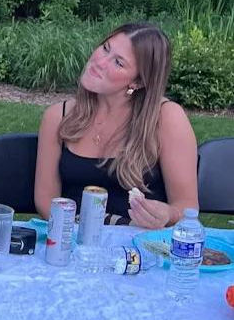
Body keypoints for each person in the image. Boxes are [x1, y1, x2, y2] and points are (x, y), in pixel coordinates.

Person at [35, 22, 198, 228]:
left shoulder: (167, 117)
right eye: (105, 48)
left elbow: (187, 206)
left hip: (138, 247)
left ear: (137, 83)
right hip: (72, 239)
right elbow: (45, 201)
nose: (99, 62)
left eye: (118, 63)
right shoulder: (58, 116)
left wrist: (167, 213)